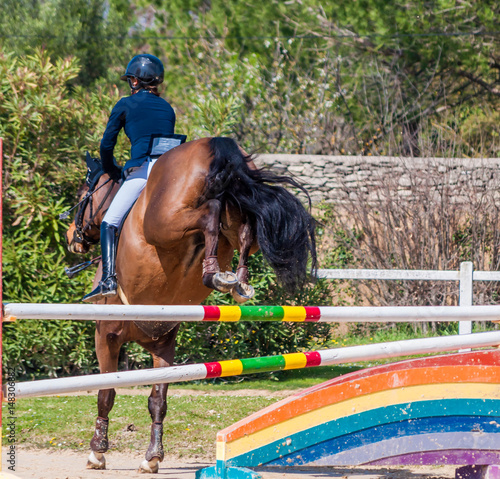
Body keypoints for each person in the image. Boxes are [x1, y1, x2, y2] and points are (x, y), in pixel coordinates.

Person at [83, 53, 184, 303]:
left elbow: (107, 145)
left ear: (135, 81)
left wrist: (112, 170)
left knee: (109, 222)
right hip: (169, 171)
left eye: (131, 79)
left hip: (143, 171)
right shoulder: (167, 107)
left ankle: (107, 280)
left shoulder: (125, 104)